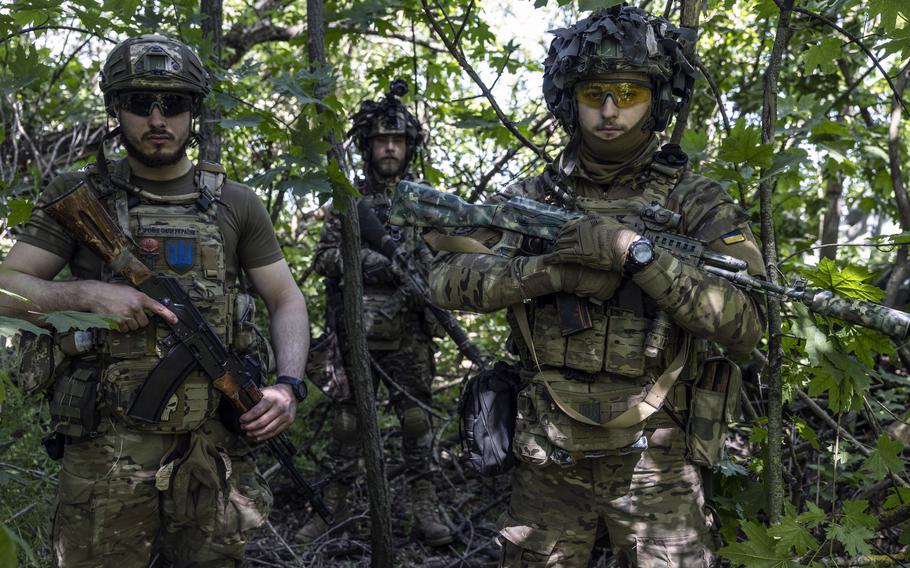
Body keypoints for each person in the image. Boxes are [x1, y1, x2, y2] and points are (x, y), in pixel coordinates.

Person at [428, 6, 767, 567]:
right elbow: (445, 280)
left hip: (658, 458)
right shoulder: (533, 199)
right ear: (571, 99)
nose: (610, 111)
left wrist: (636, 258)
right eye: (595, 94)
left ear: (655, 101)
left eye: (628, 93)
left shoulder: (695, 201)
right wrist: (549, 272)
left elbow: (746, 324)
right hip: (547, 455)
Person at [0, 34, 310, 567]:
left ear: (195, 112)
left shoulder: (235, 203)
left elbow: (286, 299)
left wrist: (287, 386)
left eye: (175, 103)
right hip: (106, 450)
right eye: (141, 103)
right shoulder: (80, 197)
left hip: (211, 449)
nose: (158, 118)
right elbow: (6, 291)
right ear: (116, 110)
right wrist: (82, 293)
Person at [299, 80, 453, 546]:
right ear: (368, 146)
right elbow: (325, 258)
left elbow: (446, 261)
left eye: (398, 141)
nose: (390, 148)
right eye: (382, 140)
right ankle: (333, 509)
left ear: (409, 147)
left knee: (416, 422)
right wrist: (379, 264)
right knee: (346, 426)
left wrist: (423, 272)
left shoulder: (426, 201)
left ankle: (424, 509)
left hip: (409, 334)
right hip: (355, 331)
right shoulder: (347, 200)